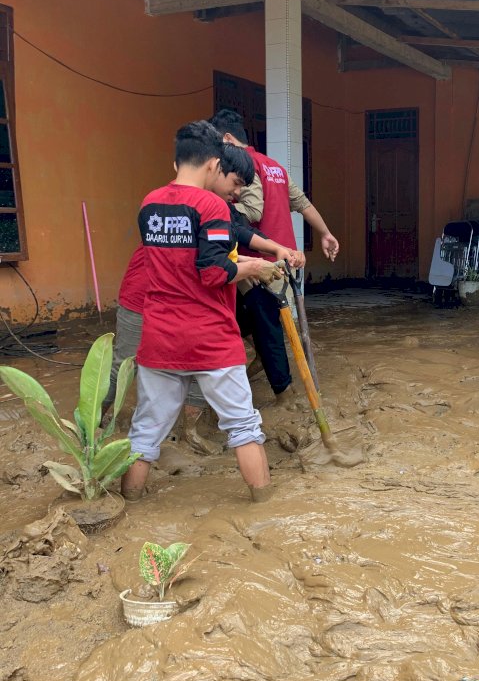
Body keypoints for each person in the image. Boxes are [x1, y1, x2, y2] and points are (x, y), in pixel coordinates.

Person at [120, 121, 284, 502]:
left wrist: (239, 260)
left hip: (159, 336)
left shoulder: (150, 203)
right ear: (213, 164)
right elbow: (213, 272)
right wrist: (256, 267)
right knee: (243, 426)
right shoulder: (212, 206)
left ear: (176, 159)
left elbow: (180, 260)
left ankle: (130, 500)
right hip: (209, 337)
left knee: (146, 430)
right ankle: (264, 506)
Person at [208, 109, 339, 405]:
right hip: (282, 258)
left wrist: (213, 212)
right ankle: (270, 374)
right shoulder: (275, 166)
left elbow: (252, 212)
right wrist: (325, 233)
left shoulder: (246, 166)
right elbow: (303, 203)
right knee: (263, 326)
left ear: (227, 139)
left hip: (259, 263)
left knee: (266, 328)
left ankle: (284, 393)